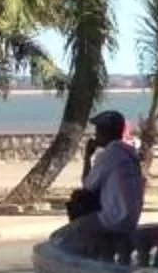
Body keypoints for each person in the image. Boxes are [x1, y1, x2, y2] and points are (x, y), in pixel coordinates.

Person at [60, 109, 144, 261]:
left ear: (104, 133)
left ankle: (83, 267)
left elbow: (88, 185)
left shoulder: (109, 155)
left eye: (98, 131)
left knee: (62, 238)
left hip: (114, 219)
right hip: (131, 219)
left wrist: (87, 157)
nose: (95, 135)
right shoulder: (130, 154)